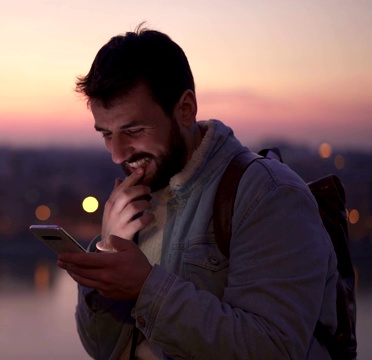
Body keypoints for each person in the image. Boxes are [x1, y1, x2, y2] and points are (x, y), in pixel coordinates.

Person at [57, 25, 338, 359]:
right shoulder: (141, 195)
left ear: (186, 109)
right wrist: (106, 260)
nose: (117, 154)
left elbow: (272, 348)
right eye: (106, 133)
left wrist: (145, 287)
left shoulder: (269, 193)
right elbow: (101, 349)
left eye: (133, 130)